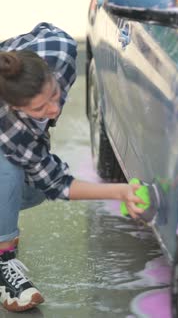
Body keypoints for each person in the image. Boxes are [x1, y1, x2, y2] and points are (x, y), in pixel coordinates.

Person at [0, 22, 144, 313]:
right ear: (16, 109)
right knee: (8, 168)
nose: (53, 109)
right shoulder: (12, 127)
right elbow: (59, 183)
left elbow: (42, 35)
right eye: (39, 110)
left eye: (53, 94)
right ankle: (3, 260)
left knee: (32, 190)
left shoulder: (59, 49)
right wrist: (121, 191)